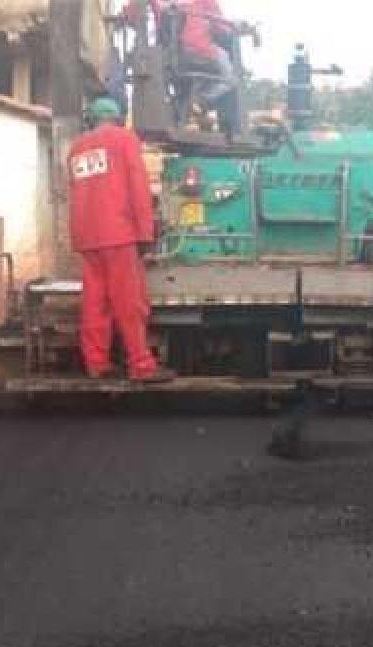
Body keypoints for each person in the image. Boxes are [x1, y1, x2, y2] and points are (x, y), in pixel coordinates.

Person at [67, 96, 175, 383]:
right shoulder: (124, 140)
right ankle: (141, 365)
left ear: (92, 118)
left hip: (87, 237)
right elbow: (137, 186)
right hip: (117, 233)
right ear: (117, 117)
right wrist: (145, 232)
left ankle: (96, 363)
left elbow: (73, 193)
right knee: (129, 302)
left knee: (95, 303)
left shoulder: (76, 148)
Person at [180, 0, 237, 108]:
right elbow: (219, 27)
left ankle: (193, 103)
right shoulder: (206, 2)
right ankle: (202, 100)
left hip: (177, 52)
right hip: (201, 49)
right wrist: (230, 30)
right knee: (230, 80)